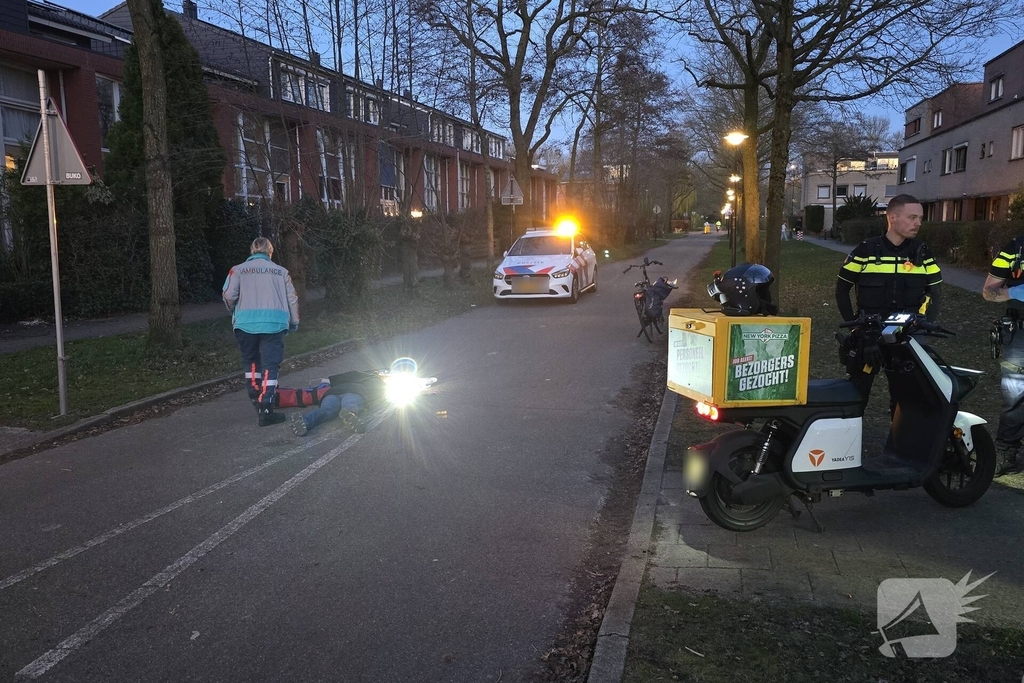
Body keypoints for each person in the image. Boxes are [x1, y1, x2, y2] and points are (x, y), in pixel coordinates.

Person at [835, 194, 942, 409]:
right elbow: (841, 289)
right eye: (912, 217)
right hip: (869, 334)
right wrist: (855, 327)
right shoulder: (866, 250)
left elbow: (936, 291)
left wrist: (923, 325)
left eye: (920, 218)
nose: (918, 223)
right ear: (892, 217)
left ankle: (901, 429)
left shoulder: (921, 252)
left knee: (907, 398)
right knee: (856, 393)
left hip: (907, 336)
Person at [222, 237, 300, 427]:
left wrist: (235, 311)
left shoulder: (238, 270)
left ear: (252, 251)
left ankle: (256, 398)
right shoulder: (281, 272)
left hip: (245, 324)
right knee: (270, 366)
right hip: (274, 324)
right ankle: (267, 408)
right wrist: (294, 322)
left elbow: (228, 295)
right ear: (270, 252)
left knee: (251, 363)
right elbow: (292, 298)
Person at [981, 238, 1024, 474]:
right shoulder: (1015, 249)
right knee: (1015, 395)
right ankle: (1007, 451)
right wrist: (1015, 291)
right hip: (1020, 332)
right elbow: (988, 291)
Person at [289, 370, 387, 436]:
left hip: (331, 393)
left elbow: (330, 380)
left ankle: (305, 421)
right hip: (353, 391)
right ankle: (349, 414)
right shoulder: (375, 379)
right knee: (350, 404)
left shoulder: (352, 376)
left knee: (326, 410)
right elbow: (379, 394)